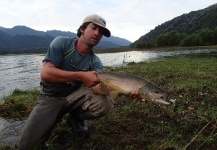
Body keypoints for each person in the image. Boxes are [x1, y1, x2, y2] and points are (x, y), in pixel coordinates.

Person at [16, 14, 141, 150]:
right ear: (82, 29)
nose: (97, 33)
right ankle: (52, 117)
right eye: (94, 28)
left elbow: (98, 88)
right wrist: (81, 76)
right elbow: (46, 73)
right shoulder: (62, 43)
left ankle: (75, 117)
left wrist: (126, 91)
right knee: (25, 146)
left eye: (101, 32)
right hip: (51, 98)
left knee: (104, 103)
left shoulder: (95, 61)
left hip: (75, 97)